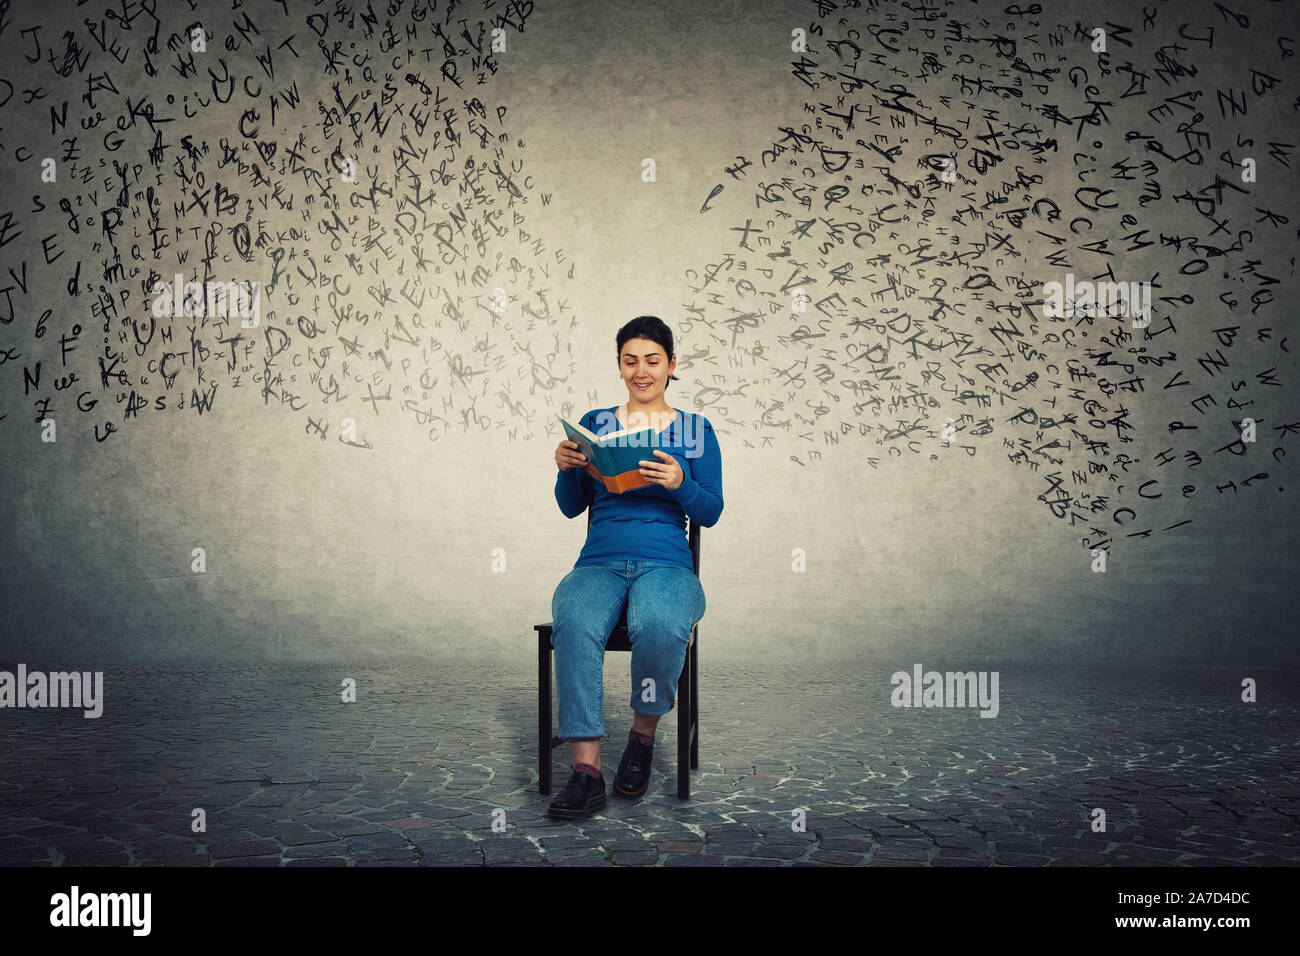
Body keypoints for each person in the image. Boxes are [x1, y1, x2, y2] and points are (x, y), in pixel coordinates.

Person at [547, 315, 723, 820]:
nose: (641, 371)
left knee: (661, 625)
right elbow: (569, 506)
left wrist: (679, 483)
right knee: (575, 623)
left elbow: (710, 511)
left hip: (666, 563)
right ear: (619, 366)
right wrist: (566, 470)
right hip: (599, 561)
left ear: (672, 365)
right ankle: (586, 772)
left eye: (652, 360)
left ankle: (641, 739)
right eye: (630, 361)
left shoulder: (695, 430)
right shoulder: (597, 423)